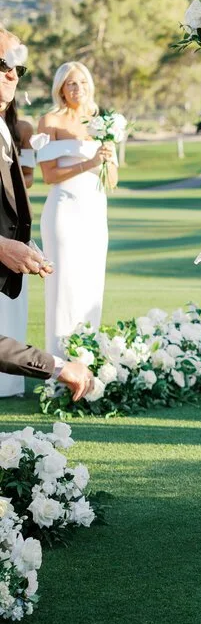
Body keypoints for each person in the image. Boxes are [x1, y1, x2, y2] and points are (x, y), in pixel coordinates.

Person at [0, 28, 93, 402]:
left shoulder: (8, 130)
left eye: (17, 68)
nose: (11, 73)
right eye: (1, 63)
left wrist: (19, 246)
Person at [37, 63, 117, 355]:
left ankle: (87, 362)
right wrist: (89, 163)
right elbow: (48, 176)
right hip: (64, 210)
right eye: (71, 83)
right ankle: (59, 368)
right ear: (60, 88)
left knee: (91, 285)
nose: (78, 88)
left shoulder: (103, 121)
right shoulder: (49, 121)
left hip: (95, 211)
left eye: (82, 82)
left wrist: (107, 160)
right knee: (63, 288)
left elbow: (113, 180)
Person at [0, 88, 36, 397]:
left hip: (14, 226)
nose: (11, 76)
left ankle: (11, 381)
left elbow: (30, 176)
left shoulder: (21, 129)